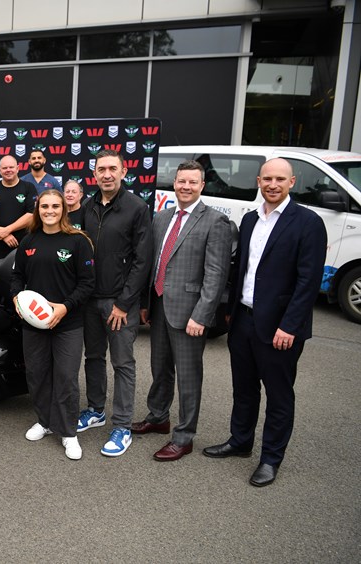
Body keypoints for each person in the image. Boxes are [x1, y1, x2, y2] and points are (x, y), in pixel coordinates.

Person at [203, 158, 327, 487]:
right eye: (267, 178)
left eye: (279, 179)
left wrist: (289, 326)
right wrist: (230, 311)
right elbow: (240, 269)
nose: (272, 184)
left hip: (280, 328)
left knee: (278, 395)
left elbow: (308, 283)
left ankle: (271, 458)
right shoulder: (249, 220)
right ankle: (240, 442)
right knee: (244, 390)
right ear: (258, 181)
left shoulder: (308, 223)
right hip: (243, 320)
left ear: (292, 182)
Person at [132, 160, 231, 461]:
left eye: (192, 182)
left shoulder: (215, 221)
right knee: (160, 368)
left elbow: (216, 274)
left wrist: (202, 315)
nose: (185, 187)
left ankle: (184, 436)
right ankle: (159, 417)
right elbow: (153, 265)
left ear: (202, 185)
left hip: (190, 314)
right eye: (181, 181)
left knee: (188, 376)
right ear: (174, 183)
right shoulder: (161, 217)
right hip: (160, 306)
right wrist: (146, 303)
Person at [76, 149, 152, 457]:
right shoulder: (87, 206)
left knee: (123, 364)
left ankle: (122, 425)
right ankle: (96, 409)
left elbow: (142, 260)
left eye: (112, 169)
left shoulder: (137, 207)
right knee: (93, 358)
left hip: (120, 303)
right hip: (90, 300)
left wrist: (123, 303)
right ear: (94, 174)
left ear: (124, 171)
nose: (106, 174)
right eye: (101, 169)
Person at [11, 190, 95, 460]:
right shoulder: (28, 241)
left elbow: (87, 283)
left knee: (66, 378)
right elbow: (17, 276)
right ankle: (45, 422)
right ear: (38, 209)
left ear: (63, 209)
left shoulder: (78, 241)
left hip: (68, 323)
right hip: (34, 323)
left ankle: (69, 433)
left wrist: (65, 306)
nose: (50, 210)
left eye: (55, 206)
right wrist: (16, 298)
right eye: (45, 206)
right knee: (37, 374)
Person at [0, 155, 38, 260]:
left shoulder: (28, 187)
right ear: (0, 170)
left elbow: (31, 215)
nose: (8, 170)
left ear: (17, 168)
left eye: (11, 167)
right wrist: (4, 235)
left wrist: (8, 230)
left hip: (22, 245)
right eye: (5, 168)